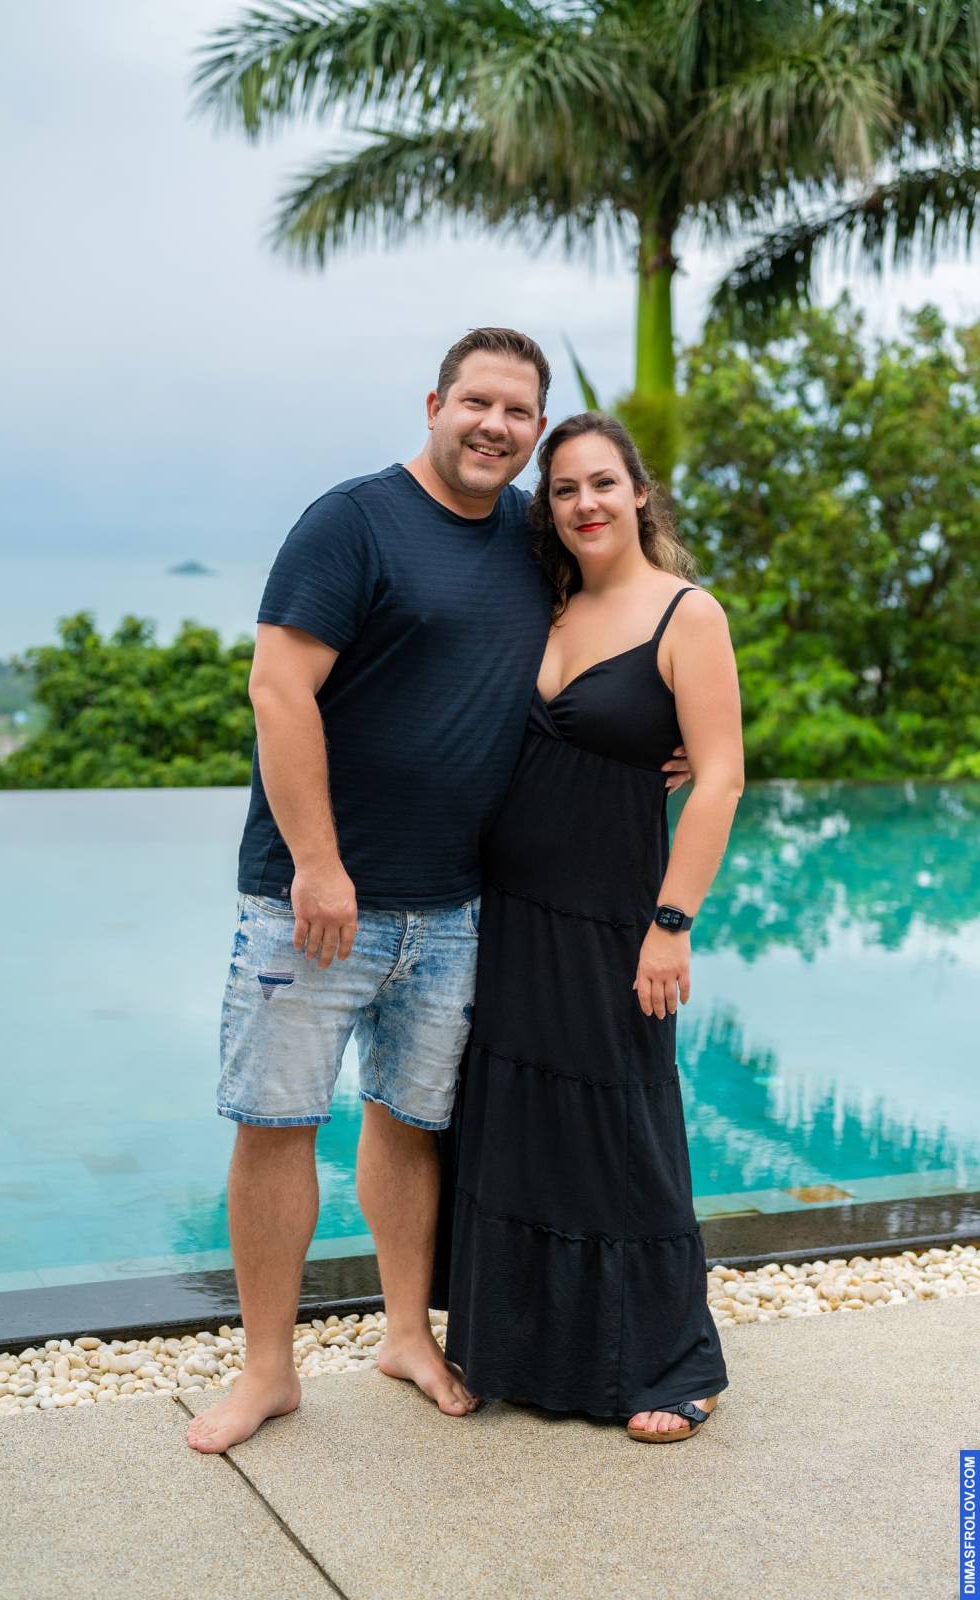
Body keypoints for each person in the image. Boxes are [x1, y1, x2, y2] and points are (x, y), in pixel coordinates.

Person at [186, 330, 692, 1455]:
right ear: (434, 404)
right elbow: (278, 688)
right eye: (476, 403)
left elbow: (623, 629)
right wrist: (319, 863)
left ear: (535, 429)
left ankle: (407, 1334)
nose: (494, 427)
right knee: (276, 1123)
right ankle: (267, 1370)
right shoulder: (352, 522)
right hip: (312, 899)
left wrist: (657, 741)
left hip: (460, 906)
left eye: (517, 412)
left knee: (411, 1124)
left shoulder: (530, 535)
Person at [435, 412, 744, 1442]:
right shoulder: (546, 604)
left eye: (602, 482)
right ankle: (523, 1350)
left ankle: (675, 1362)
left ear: (638, 492)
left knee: (624, 1130)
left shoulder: (687, 614)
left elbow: (720, 777)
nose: (585, 504)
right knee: (516, 1124)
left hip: (617, 916)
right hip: (510, 913)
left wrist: (671, 922)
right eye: (563, 489)